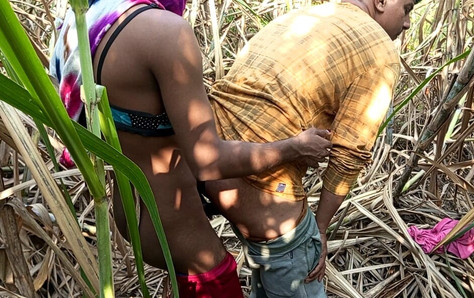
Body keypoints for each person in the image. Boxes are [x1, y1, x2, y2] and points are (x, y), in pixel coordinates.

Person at [49, 0, 332, 297]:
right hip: (177, 227)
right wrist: (293, 148)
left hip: (131, 210)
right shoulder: (166, 34)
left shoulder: (88, 18)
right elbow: (208, 160)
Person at [203, 0, 417, 296]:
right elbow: (349, 155)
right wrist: (319, 231)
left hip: (214, 164)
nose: (407, 22)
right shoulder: (380, 51)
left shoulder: (305, 16)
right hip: (264, 193)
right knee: (297, 264)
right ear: (381, 2)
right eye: (407, 8)